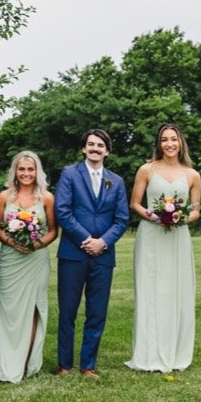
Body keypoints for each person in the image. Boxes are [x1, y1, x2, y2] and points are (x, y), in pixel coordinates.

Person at [53, 128, 130, 377]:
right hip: (73, 253)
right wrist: (86, 239)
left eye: (100, 145)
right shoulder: (69, 174)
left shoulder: (116, 181)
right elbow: (62, 211)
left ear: (107, 151)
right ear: (84, 148)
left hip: (103, 256)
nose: (95, 148)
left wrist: (103, 242)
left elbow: (121, 219)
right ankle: (65, 364)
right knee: (68, 310)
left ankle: (88, 364)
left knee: (97, 311)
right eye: (91, 144)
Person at [127, 123, 201, 373]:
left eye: (174, 139)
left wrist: (180, 218)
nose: (169, 144)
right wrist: (154, 216)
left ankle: (176, 351)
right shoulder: (146, 170)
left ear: (181, 143)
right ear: (158, 144)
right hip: (151, 235)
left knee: (177, 290)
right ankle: (148, 354)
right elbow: (135, 204)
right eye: (164, 140)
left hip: (178, 237)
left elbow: (196, 211)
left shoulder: (192, 175)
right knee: (151, 289)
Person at [0, 151, 59, 383]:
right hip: (10, 260)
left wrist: (36, 244)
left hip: (35, 260)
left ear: (37, 172)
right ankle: (7, 362)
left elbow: (53, 230)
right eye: (22, 169)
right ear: (15, 172)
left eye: (31, 169)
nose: (26, 173)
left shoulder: (47, 198)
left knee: (31, 310)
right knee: (11, 311)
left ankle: (23, 362)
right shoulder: (4, 197)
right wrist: (12, 241)